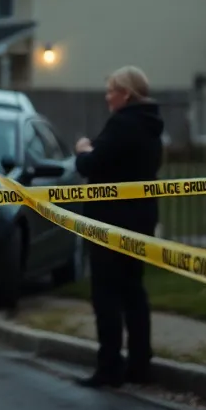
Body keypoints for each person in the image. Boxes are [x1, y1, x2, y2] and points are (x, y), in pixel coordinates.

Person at [71, 65, 164, 389]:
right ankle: (140, 363)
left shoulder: (122, 124)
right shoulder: (151, 125)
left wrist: (83, 150)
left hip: (110, 221)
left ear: (126, 94)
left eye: (111, 90)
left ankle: (109, 367)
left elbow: (92, 164)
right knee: (133, 291)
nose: (107, 97)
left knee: (107, 294)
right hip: (141, 218)